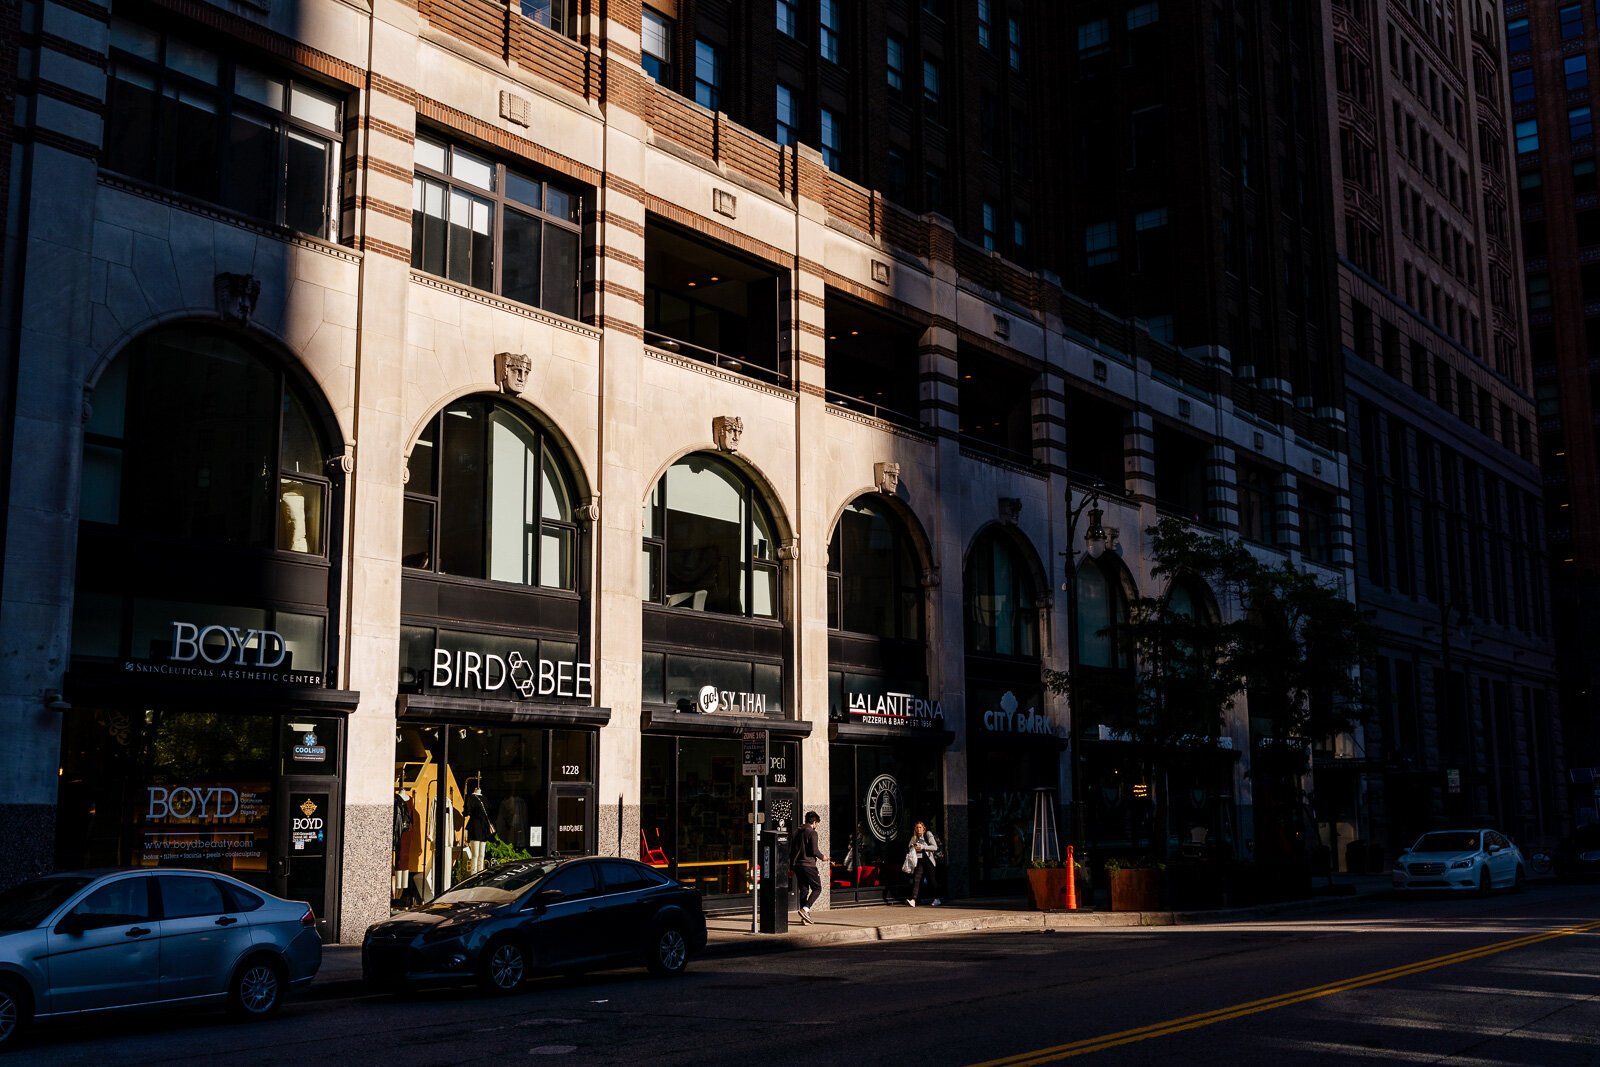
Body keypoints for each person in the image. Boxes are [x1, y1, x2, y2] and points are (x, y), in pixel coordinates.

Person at [792, 811, 826, 924]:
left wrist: (790, 867)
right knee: (817, 888)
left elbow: (791, 851)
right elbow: (814, 851)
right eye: (817, 823)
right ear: (814, 822)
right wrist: (823, 857)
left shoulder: (797, 832)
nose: (816, 826)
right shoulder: (812, 833)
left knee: (804, 890)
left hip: (797, 865)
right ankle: (805, 909)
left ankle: (804, 918)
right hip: (809, 865)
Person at [906, 820, 942, 907]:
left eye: (920, 827)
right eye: (917, 828)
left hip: (928, 860)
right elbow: (909, 846)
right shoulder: (914, 837)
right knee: (916, 879)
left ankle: (936, 899)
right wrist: (913, 847)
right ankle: (913, 899)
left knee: (932, 880)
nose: (918, 829)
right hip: (919, 861)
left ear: (923, 828)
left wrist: (923, 847)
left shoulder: (928, 834)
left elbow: (935, 847)